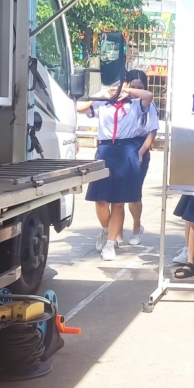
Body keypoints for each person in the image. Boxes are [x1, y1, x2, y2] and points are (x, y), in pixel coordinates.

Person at [78, 79, 154, 261]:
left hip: (126, 150)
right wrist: (102, 94)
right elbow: (79, 108)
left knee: (119, 202)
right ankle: (106, 230)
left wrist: (127, 91)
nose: (115, 90)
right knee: (100, 199)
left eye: (119, 86)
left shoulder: (134, 105)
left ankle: (110, 244)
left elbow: (149, 95)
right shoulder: (102, 104)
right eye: (112, 86)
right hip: (105, 150)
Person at [123, 70, 158, 246]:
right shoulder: (120, 102)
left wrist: (141, 152)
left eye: (140, 87)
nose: (136, 91)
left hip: (139, 146)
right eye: (133, 87)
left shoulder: (148, 105)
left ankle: (136, 227)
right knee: (115, 195)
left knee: (133, 193)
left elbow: (152, 131)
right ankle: (116, 232)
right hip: (120, 145)